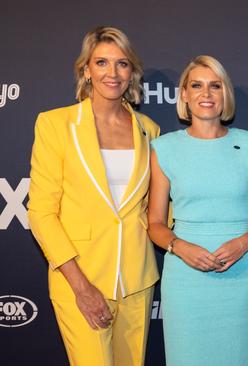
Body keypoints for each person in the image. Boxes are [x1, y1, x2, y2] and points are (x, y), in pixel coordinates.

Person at [27, 26, 160, 365]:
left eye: (122, 64)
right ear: (86, 69)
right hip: (80, 278)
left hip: (137, 280)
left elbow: (155, 207)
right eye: (101, 63)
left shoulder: (149, 130)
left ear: (132, 72)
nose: (112, 73)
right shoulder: (55, 125)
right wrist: (81, 287)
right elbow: (41, 212)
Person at [146, 55, 248, 366]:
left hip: (238, 276)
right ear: (184, 94)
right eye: (197, 85)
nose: (206, 94)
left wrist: (243, 244)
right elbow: (156, 223)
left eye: (215, 86)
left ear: (225, 93)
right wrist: (181, 247)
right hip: (185, 279)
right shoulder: (164, 148)